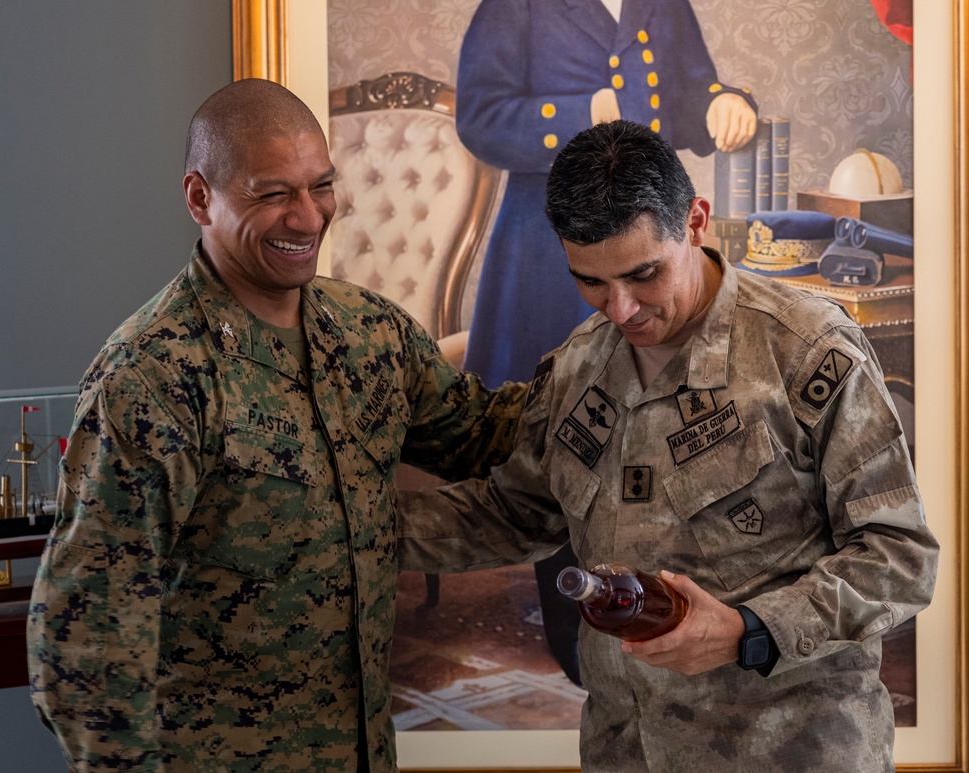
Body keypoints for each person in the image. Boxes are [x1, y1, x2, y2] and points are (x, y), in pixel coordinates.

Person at [398, 120, 939, 772]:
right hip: (625, 749)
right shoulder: (575, 369)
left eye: (643, 274)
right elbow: (518, 513)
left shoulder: (806, 351)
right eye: (591, 282)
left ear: (696, 222)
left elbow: (899, 556)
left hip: (790, 753)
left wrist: (747, 631)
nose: (620, 308)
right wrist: (353, 525)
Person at [26, 78, 528, 773]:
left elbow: (487, 436)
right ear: (200, 197)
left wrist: (615, 354)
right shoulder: (153, 377)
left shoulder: (369, 333)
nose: (309, 216)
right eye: (272, 194)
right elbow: (85, 644)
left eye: (320, 185)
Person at [454, 0, 758, 683]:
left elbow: (687, 95)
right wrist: (576, 112)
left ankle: (662, 621)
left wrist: (722, 103)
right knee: (566, 441)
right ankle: (581, 639)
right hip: (548, 250)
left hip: (653, 248)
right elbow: (480, 118)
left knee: (662, 431)